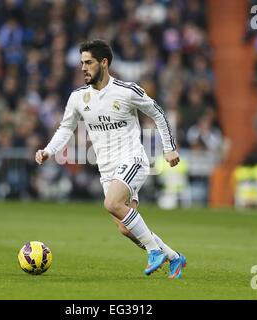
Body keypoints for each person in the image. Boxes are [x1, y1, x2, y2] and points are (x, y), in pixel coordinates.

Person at [35, 39, 186, 279]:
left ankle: (154, 250)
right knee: (126, 229)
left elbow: (158, 113)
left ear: (104, 63)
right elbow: (66, 128)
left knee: (111, 203)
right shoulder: (78, 98)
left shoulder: (127, 91)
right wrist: (48, 151)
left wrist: (169, 148)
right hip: (106, 169)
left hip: (132, 159)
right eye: (81, 63)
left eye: (89, 62)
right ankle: (175, 257)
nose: (83, 68)